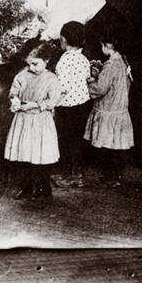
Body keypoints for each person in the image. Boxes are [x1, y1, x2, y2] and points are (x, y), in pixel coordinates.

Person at [4, 42, 62, 201]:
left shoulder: (51, 79)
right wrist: (14, 101)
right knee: (24, 154)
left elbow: (53, 100)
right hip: (23, 120)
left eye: (35, 64)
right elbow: (13, 93)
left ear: (46, 60)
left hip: (41, 121)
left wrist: (36, 105)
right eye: (29, 64)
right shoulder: (22, 76)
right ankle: (27, 187)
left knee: (40, 154)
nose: (31, 68)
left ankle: (43, 187)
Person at [83, 28, 134, 187]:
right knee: (116, 145)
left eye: (102, 45)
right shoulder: (123, 61)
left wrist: (91, 81)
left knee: (107, 147)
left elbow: (100, 89)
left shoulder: (110, 65)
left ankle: (111, 177)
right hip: (120, 108)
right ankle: (116, 175)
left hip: (108, 109)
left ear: (108, 46)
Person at [53, 21, 92, 189]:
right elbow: (87, 78)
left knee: (68, 142)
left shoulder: (64, 61)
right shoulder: (83, 59)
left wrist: (52, 104)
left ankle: (73, 175)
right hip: (83, 105)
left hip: (67, 107)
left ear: (63, 40)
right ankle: (77, 174)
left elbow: (62, 88)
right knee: (76, 141)